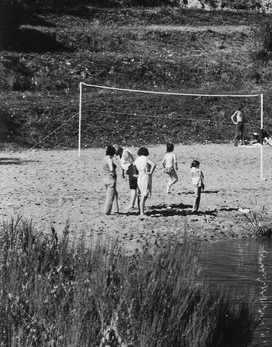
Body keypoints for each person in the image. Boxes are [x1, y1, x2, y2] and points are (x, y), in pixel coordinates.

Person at [133, 147, 156, 217]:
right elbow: (153, 164)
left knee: (140, 194)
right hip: (145, 176)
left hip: (139, 176)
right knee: (144, 195)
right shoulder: (145, 158)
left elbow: (133, 165)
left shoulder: (137, 159)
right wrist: (151, 172)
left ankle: (140, 210)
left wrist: (135, 173)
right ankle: (142, 213)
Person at [115, 144, 137, 209]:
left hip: (132, 170)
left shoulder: (125, 153)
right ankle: (134, 204)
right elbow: (122, 163)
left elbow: (133, 163)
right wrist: (123, 173)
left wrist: (134, 173)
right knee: (133, 188)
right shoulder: (119, 154)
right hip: (129, 170)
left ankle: (132, 204)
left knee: (133, 188)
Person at [102, 145, 119, 215]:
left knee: (114, 194)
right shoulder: (109, 159)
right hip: (110, 179)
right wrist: (113, 174)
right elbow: (111, 169)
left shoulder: (104, 159)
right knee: (110, 196)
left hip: (105, 178)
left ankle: (116, 209)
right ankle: (107, 211)